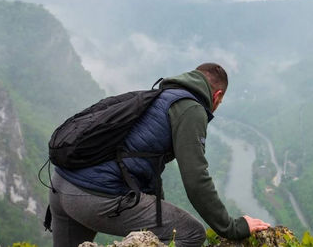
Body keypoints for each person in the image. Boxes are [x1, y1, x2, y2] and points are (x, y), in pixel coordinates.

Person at [49, 63, 270, 247]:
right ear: (217, 95)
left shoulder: (163, 95)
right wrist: (232, 227)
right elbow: (196, 179)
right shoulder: (191, 110)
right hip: (95, 196)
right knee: (191, 233)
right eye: (219, 103)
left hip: (61, 185)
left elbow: (145, 164)